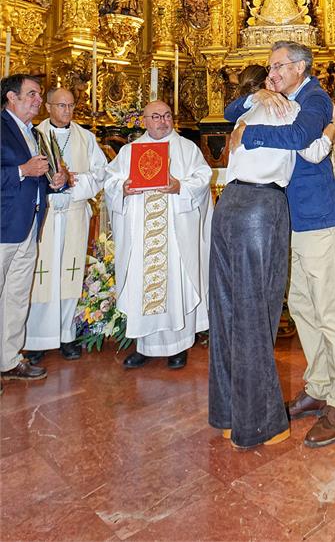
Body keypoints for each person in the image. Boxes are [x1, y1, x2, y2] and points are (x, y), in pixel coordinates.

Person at [227, 42, 335, 448]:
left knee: (328, 307)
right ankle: (318, 384)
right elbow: (232, 111)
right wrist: (256, 96)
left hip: (316, 218)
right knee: (301, 306)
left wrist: (249, 134)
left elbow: (302, 134)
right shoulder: (278, 96)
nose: (273, 72)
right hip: (288, 220)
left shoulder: (316, 97)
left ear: (300, 67)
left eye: (279, 66)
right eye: (270, 67)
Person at [105, 100, 213, 369]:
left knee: (174, 284)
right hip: (140, 236)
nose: (163, 121)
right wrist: (123, 189)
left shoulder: (188, 149)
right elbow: (109, 181)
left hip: (175, 235)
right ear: (144, 120)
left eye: (167, 116)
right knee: (142, 286)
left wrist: (180, 187)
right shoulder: (130, 152)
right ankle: (144, 346)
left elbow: (202, 179)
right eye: (155, 116)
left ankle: (179, 346)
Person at [24, 88, 107, 363]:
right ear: (47, 106)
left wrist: (73, 181)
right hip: (44, 213)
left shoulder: (86, 137)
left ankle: (67, 336)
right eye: (61, 105)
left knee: (70, 274)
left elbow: (100, 173)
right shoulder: (33, 135)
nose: (67, 111)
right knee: (41, 274)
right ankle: (35, 339)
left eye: (71, 105)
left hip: (73, 213)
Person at [1, 75, 67, 386]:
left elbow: (39, 178)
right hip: (3, 225)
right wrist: (22, 170)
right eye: (31, 94)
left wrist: (56, 182)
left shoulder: (34, 134)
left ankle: (9, 360)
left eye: (39, 94)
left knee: (16, 297)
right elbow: (22, 173)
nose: (38, 100)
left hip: (28, 226)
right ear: (11, 98)